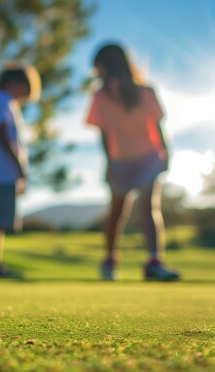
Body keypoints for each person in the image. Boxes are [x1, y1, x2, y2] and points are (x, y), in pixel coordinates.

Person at [85, 42, 180, 281]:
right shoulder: (101, 96)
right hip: (123, 161)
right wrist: (109, 163)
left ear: (108, 66)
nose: (98, 73)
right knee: (118, 212)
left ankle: (154, 262)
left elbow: (157, 126)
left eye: (99, 68)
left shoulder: (145, 91)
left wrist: (165, 153)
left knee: (147, 208)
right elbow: (104, 134)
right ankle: (110, 261)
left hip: (148, 158)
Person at [0, 63, 41, 277]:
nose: (25, 94)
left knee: (1, 221)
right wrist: (18, 165)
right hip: (1, 171)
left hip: (5, 173)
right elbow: (1, 133)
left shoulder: (9, 104)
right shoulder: (0, 102)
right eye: (24, 87)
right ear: (13, 82)